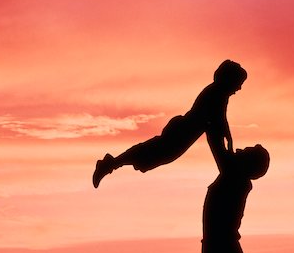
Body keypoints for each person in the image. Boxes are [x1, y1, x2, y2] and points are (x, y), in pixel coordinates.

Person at [92, 60, 247, 188]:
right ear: (229, 79)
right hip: (182, 131)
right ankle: (110, 163)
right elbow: (217, 121)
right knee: (153, 153)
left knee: (155, 154)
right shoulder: (216, 94)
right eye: (238, 83)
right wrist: (226, 143)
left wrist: (227, 137)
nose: (239, 88)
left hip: (184, 133)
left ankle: (111, 163)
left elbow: (219, 120)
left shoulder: (219, 94)